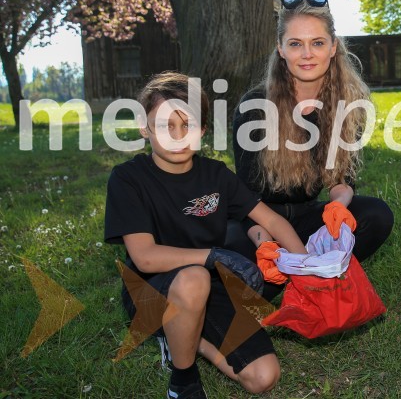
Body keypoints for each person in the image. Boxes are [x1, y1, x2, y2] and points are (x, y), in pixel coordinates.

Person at [104, 72, 307, 398]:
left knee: (263, 376)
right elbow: (144, 256)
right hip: (152, 295)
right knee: (194, 277)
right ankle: (183, 380)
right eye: (164, 125)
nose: (177, 136)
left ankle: (186, 336)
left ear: (203, 130)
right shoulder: (129, 179)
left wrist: (304, 265)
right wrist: (211, 256)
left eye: (188, 125)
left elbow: (272, 220)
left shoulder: (215, 175)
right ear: (144, 128)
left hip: (210, 289)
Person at [228, 0, 394, 270]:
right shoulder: (255, 107)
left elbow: (342, 180)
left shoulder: (348, 106)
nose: (307, 54)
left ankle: (314, 269)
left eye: (317, 43)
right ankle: (308, 269)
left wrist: (339, 205)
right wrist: (268, 244)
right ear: (281, 49)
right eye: (295, 44)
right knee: (230, 246)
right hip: (259, 223)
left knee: (376, 214)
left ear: (333, 47)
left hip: (308, 216)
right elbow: (246, 198)